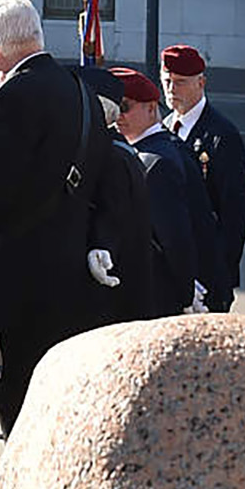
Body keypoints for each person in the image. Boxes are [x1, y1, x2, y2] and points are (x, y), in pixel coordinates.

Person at [0, 0, 113, 436]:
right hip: (71, 282)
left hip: (13, 290)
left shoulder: (9, 102)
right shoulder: (82, 95)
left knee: (19, 417)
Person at [160, 44, 245, 311]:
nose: (171, 89)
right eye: (166, 81)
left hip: (208, 271)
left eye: (180, 82)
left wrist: (218, 275)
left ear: (201, 83)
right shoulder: (166, 127)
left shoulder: (221, 135)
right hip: (174, 269)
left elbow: (235, 213)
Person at [112, 67, 201, 316]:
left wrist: (186, 294)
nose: (118, 116)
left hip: (158, 297)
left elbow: (175, 239)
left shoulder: (155, 162)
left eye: (125, 106)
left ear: (151, 108)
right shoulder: (155, 149)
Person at [78, 66, 154, 325]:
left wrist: (101, 245)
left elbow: (112, 214)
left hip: (113, 300)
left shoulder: (110, 158)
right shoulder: (117, 153)